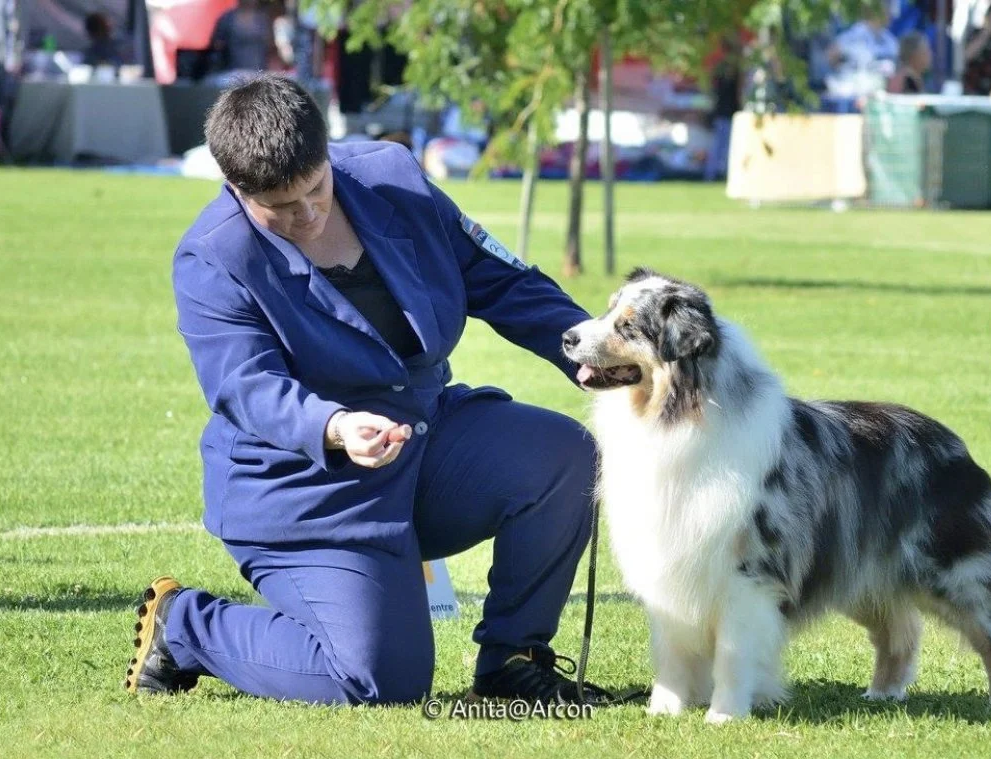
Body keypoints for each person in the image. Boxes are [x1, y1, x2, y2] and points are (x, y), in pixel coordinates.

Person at [124, 74, 611, 707]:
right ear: (234, 187)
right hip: (308, 490)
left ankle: (513, 661)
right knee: (381, 682)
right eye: (280, 205)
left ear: (328, 154)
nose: (307, 213)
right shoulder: (211, 259)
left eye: (316, 187)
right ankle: (185, 626)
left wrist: (590, 349)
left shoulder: (393, 177)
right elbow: (246, 386)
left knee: (564, 455)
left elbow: (498, 279)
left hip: (424, 437)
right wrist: (332, 426)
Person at [704, 39, 743, 182]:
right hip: (726, 112)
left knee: (722, 145)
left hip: (725, 111)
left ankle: (716, 173)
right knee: (722, 145)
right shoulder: (729, 69)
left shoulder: (723, 69)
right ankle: (716, 173)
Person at [209, 0, 275, 75]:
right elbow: (217, 46)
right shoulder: (227, 19)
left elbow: (271, 47)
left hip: (259, 72)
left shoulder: (263, 19)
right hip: (231, 74)